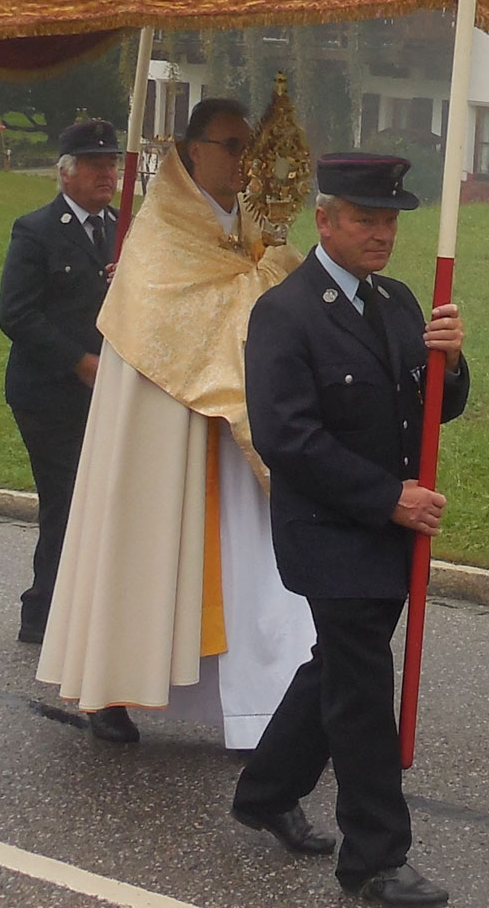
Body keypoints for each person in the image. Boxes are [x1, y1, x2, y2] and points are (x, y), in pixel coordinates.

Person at [231, 152, 468, 908]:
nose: (381, 234)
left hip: (389, 527)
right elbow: (286, 437)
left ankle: (266, 791)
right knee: (364, 690)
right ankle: (375, 858)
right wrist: (386, 498)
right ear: (324, 221)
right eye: (364, 219)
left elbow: (436, 406)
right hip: (332, 530)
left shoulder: (398, 302)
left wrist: (452, 361)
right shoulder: (286, 312)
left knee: (338, 667)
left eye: (390, 220)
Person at [39, 98, 315, 747]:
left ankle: (255, 699)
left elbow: (275, 282)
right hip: (165, 420)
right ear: (193, 152)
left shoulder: (253, 226)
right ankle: (112, 683)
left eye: (251, 146)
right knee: (144, 548)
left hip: (239, 430)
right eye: (231, 145)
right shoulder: (159, 231)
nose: (245, 159)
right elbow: (175, 314)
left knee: (247, 568)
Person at [0, 118, 119, 645]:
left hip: (111, 394)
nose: (106, 175)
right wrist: (79, 362)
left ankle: (59, 608)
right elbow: (17, 314)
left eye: (111, 165)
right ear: (66, 173)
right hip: (49, 392)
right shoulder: (36, 230)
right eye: (94, 165)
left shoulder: (123, 230)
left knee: (95, 501)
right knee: (66, 498)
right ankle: (44, 613)